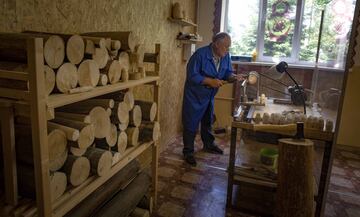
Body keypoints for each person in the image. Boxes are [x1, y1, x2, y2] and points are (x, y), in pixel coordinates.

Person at [182, 32, 244, 166]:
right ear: (216, 44)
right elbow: (192, 76)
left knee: (207, 120)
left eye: (229, 47)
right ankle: (188, 151)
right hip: (195, 95)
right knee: (191, 123)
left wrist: (233, 76)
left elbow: (227, 72)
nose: (227, 50)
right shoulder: (200, 55)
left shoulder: (225, 56)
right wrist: (209, 81)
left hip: (209, 95)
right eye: (225, 47)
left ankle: (208, 144)